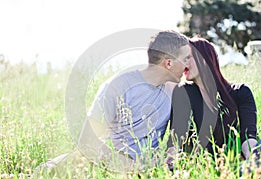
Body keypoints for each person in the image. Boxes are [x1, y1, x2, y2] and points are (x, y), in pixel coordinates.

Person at [76, 30, 192, 171]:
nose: (188, 65)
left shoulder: (175, 89)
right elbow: (87, 140)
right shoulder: (118, 87)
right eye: (185, 59)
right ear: (168, 63)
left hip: (151, 172)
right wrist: (129, 166)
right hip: (114, 167)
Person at [168, 36, 261, 161]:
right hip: (204, 167)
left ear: (205, 59)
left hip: (238, 161)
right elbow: (176, 140)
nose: (183, 63)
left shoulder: (240, 92)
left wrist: (252, 162)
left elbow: (248, 138)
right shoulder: (183, 93)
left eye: (188, 57)